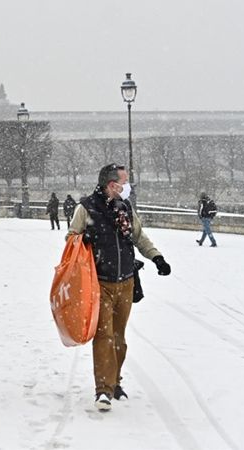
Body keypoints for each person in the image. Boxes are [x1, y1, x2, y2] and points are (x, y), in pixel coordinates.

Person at [68, 163, 171, 412]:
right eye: (124, 181)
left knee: (119, 337)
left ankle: (115, 382)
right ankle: (103, 389)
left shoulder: (125, 207)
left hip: (126, 280)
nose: (127, 186)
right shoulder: (86, 207)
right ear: (112, 184)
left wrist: (156, 257)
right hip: (99, 281)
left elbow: (138, 235)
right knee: (104, 334)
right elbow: (71, 237)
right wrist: (84, 238)